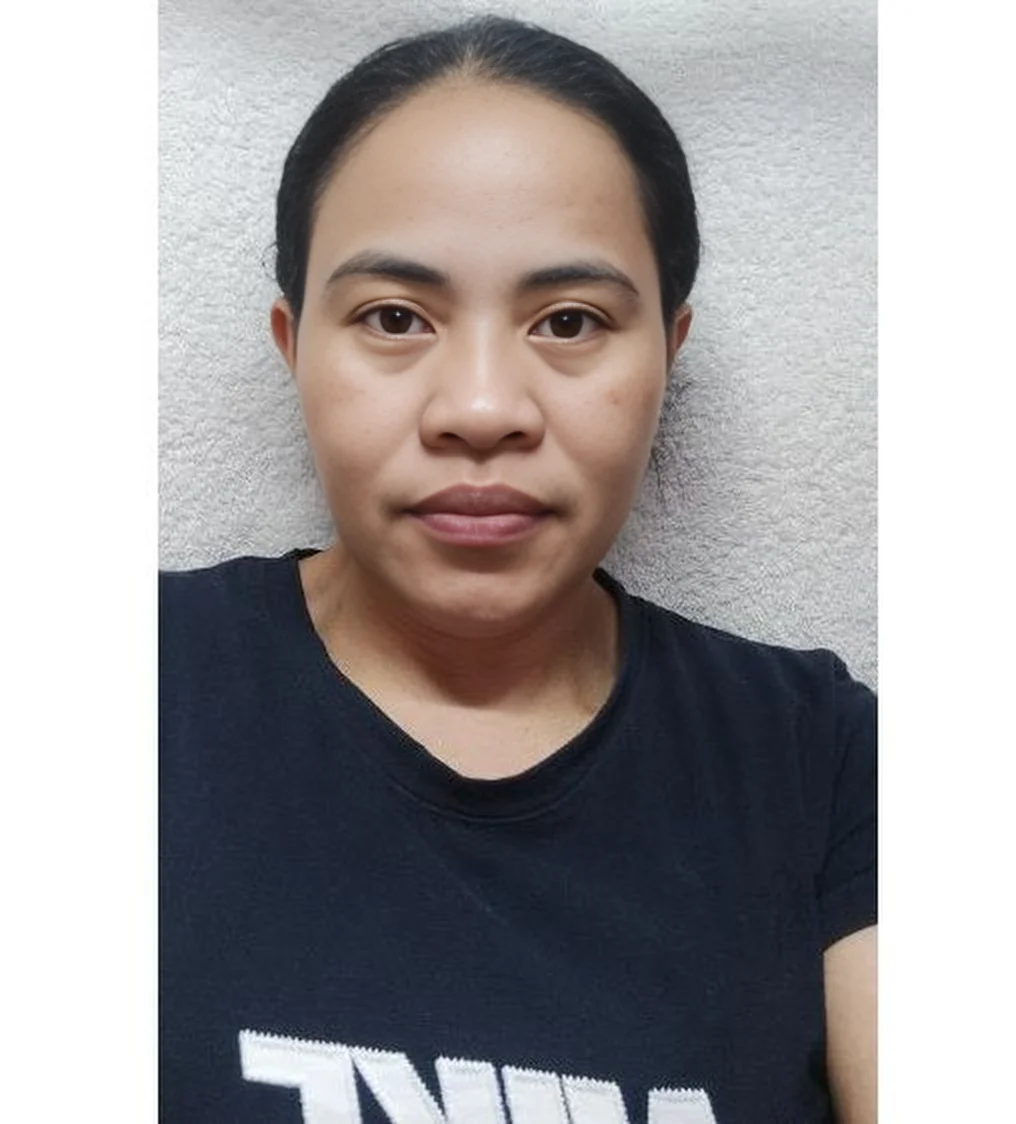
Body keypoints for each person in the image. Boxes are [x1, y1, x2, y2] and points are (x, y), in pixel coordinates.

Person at [160, 15, 876, 1124]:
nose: (483, 408)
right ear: (295, 348)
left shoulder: (820, 758)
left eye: (569, 321)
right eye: (394, 317)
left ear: (668, 352)